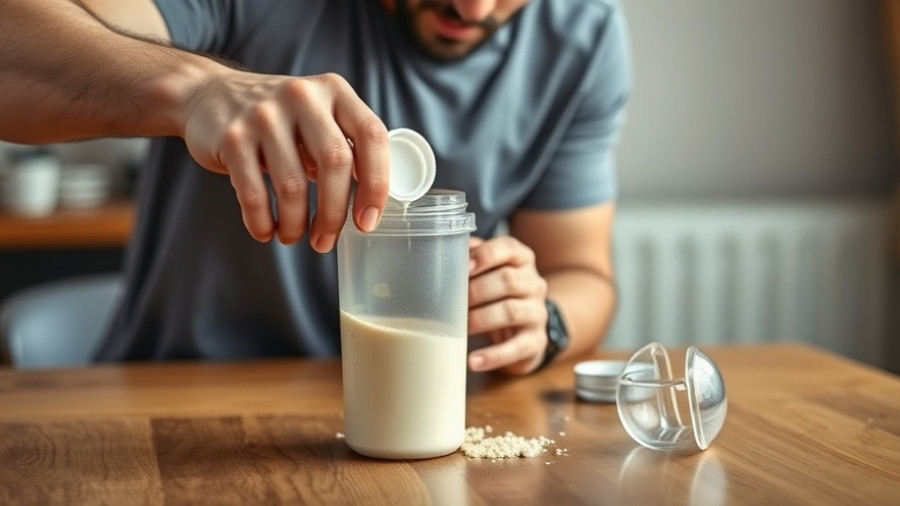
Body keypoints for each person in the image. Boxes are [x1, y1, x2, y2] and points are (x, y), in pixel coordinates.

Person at [0, 0, 630, 375]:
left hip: (413, 414)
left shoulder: (582, 30)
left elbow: (582, 272)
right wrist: (192, 89)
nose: (473, 8)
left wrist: (541, 319)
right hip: (183, 395)